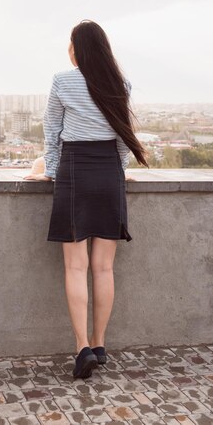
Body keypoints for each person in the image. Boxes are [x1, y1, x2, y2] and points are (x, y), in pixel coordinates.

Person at [24, 19, 149, 379]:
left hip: (75, 171)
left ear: (76, 47)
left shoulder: (63, 80)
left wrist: (48, 168)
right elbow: (124, 136)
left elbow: (53, 131)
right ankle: (99, 343)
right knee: (104, 268)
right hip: (109, 173)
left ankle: (81, 350)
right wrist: (119, 168)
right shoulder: (119, 83)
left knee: (76, 267)